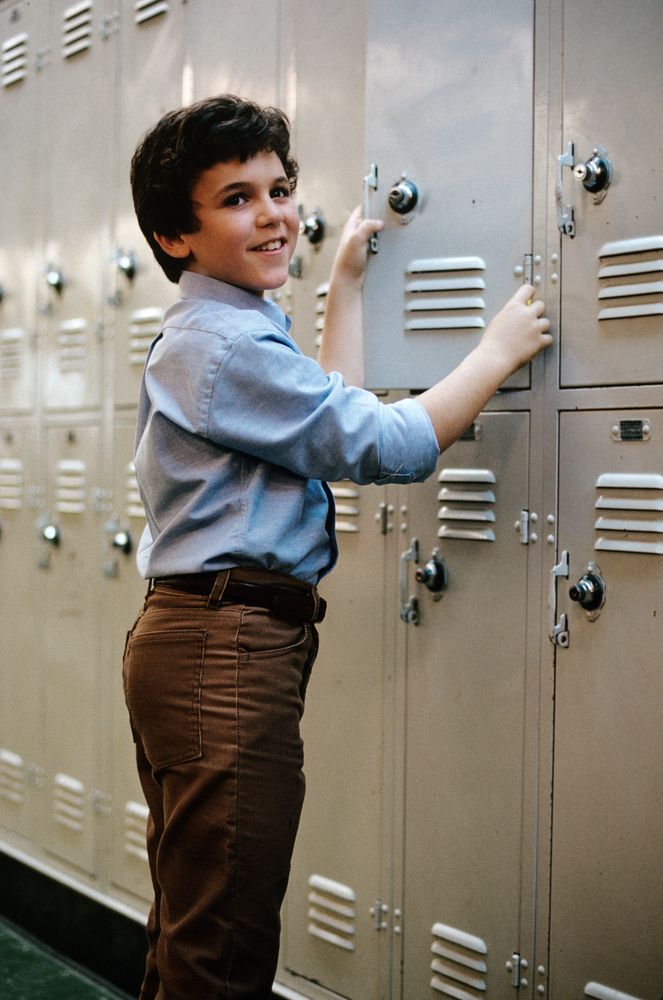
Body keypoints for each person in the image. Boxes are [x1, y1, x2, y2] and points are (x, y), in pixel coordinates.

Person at [122, 94, 552, 1000]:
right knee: (222, 946)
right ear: (174, 236)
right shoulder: (220, 344)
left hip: (208, 642)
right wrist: (495, 351)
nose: (274, 213)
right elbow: (382, 445)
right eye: (237, 198)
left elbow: (325, 419)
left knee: (194, 922)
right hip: (223, 651)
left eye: (280, 189)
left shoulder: (231, 332)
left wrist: (344, 286)